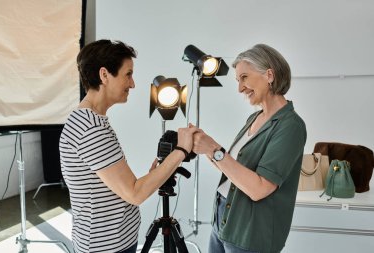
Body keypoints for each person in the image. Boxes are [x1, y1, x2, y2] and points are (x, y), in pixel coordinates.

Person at [59, 39, 197, 253]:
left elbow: (118, 186)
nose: (132, 84)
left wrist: (158, 173)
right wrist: (180, 151)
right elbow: (135, 193)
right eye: (128, 74)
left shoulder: (91, 121)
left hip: (113, 241)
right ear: (104, 75)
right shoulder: (91, 128)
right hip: (106, 247)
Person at [191, 44, 307, 253]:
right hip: (223, 220)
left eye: (244, 77)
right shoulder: (254, 118)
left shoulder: (290, 126)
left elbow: (259, 189)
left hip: (249, 234)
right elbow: (235, 170)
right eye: (238, 80)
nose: (240, 88)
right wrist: (206, 146)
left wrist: (216, 150)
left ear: (269, 75)